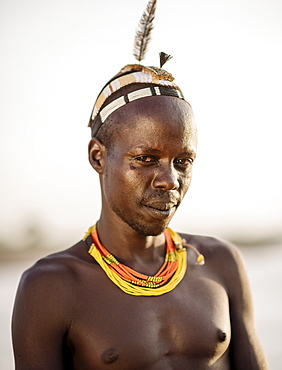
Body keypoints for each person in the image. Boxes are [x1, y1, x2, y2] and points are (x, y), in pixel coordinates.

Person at [12, 1, 268, 369]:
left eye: (183, 162)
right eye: (145, 159)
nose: (169, 180)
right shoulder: (51, 287)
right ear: (98, 157)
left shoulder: (220, 262)